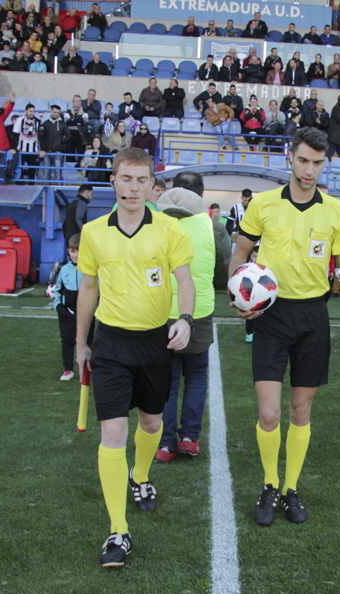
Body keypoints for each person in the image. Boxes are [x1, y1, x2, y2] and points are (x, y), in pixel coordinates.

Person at [227, 127, 340, 527]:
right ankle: (269, 484)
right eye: (303, 160)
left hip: (313, 317)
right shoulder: (265, 204)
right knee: (269, 413)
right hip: (270, 315)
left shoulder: (335, 210)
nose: (309, 170)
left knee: (300, 408)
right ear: (290, 157)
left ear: (326, 163)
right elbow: (239, 253)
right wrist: (238, 295)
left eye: (318, 163)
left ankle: (290, 488)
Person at [73, 148, 195, 568]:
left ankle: (140, 477)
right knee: (112, 435)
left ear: (152, 184)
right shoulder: (93, 232)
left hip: (155, 343)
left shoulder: (168, 230)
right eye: (126, 179)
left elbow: (185, 279)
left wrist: (185, 318)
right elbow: (87, 289)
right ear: (113, 181)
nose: (133, 187)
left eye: (142, 180)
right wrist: (80, 342)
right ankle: (118, 530)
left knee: (151, 422)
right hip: (110, 345)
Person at [154, 175, 231, 463]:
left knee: (168, 379)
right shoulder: (213, 226)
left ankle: (165, 442)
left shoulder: (156, 221)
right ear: (200, 194)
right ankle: (189, 437)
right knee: (196, 375)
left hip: (161, 311)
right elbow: (223, 269)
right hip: (199, 310)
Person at [49, 234, 92, 381]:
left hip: (86, 313)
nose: (75, 254)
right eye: (72, 251)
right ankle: (68, 370)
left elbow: (96, 290)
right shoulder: (64, 270)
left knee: (89, 338)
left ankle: (88, 368)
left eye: (79, 251)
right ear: (68, 251)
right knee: (67, 340)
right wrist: (59, 307)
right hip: (67, 313)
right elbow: (58, 290)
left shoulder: (91, 269)